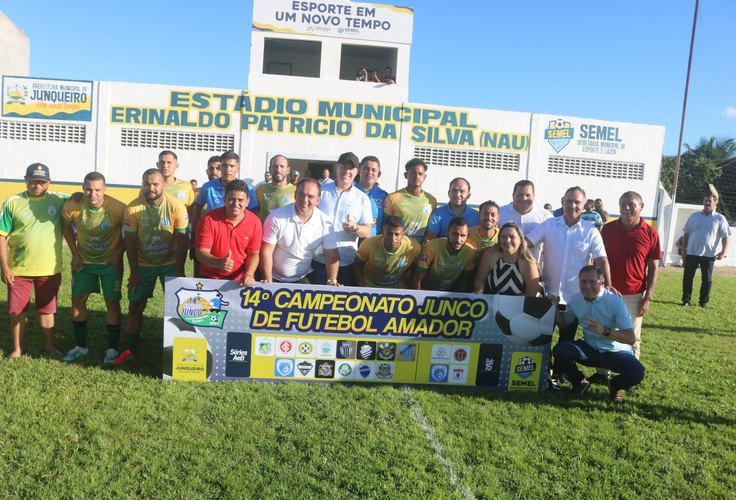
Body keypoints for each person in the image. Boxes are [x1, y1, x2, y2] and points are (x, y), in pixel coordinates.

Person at [111, 169, 188, 365]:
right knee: (135, 307)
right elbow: (130, 243)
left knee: (178, 307)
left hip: (170, 263)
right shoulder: (132, 209)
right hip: (144, 264)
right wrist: (135, 273)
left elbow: (182, 241)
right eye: (147, 184)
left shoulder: (176, 206)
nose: (151, 188)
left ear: (163, 185)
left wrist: (179, 271)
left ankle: (180, 350)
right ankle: (129, 349)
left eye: (155, 184)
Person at [0, 163, 68, 359]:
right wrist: (4, 267)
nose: (37, 185)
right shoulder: (12, 202)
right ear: (26, 180)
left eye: (41, 182)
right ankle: (17, 350)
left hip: (49, 269)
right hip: (19, 270)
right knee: (17, 312)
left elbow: (78, 200)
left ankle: (49, 347)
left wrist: (78, 197)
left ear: (49, 182)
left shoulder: (59, 199)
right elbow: (2, 236)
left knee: (47, 310)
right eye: (33, 181)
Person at [526, 186, 611, 342]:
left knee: (566, 342)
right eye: (569, 201)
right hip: (547, 296)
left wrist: (608, 286)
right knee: (541, 342)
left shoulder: (591, 231)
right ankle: (546, 367)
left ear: (584, 205)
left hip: (575, 299)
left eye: (577, 202)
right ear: (562, 202)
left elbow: (601, 260)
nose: (572, 205)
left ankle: (561, 367)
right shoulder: (548, 225)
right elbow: (527, 243)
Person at [550, 265, 645, 404]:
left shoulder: (615, 302)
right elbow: (564, 324)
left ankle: (615, 385)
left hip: (615, 352)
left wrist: (605, 331)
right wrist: (554, 309)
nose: (587, 286)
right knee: (561, 350)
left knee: (637, 372)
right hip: (590, 349)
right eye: (583, 281)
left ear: (602, 283)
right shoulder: (576, 300)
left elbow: (631, 338)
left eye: (592, 281)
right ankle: (579, 382)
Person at [61, 172, 126, 363]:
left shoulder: (118, 208)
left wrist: (117, 254)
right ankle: (80, 346)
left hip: (109, 264)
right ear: (83, 188)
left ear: (105, 189)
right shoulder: (73, 205)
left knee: (112, 303)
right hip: (84, 263)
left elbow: (132, 232)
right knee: (77, 301)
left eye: (98, 190)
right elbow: (66, 227)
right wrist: (75, 254)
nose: (93, 194)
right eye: (88, 189)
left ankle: (112, 349)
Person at [598, 191, 660, 386]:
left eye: (631, 204)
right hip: (607, 292)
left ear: (641, 207)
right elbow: (599, 259)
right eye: (623, 203)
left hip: (634, 295)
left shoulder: (650, 233)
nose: (626, 208)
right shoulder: (607, 230)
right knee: (605, 333)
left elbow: (654, 267)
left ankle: (630, 377)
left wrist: (647, 297)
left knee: (631, 337)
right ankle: (602, 373)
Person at [260, 179, 339, 284]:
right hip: (272, 278)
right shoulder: (276, 217)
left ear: (318, 200)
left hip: (303, 278)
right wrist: (268, 281)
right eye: (301, 194)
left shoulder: (325, 222)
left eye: (310, 196)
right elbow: (266, 251)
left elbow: (332, 255)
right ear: (295, 195)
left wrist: (332, 279)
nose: (305, 200)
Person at [311, 152, 372, 286]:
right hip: (318, 260)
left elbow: (367, 231)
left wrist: (354, 227)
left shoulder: (362, 199)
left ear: (356, 172)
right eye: (343, 166)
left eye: (351, 168)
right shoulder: (320, 190)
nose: (347, 171)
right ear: (337, 167)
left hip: (346, 263)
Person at [195, 180, 261, 286]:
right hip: (210, 278)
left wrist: (248, 274)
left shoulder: (255, 222)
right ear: (224, 199)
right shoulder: (208, 219)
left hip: (239, 281)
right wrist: (219, 262)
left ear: (247, 201)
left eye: (240, 200)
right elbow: (201, 253)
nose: (236, 204)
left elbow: (254, 253)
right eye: (231, 199)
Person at [681, 192, 731, 308]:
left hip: (709, 255)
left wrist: (723, 252)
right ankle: (686, 300)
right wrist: (684, 249)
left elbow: (726, 236)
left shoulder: (720, 218)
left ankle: (703, 302)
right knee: (687, 278)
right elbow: (686, 233)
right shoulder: (694, 216)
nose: (707, 203)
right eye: (705, 200)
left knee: (707, 281)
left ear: (715, 203)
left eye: (710, 201)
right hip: (692, 253)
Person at [473, 222, 539, 297]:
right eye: (504, 237)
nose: (507, 240)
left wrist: (506, 301)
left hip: (517, 306)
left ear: (520, 240)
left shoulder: (529, 265)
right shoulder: (490, 255)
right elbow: (480, 279)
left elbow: (531, 295)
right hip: (492, 303)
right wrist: (479, 290)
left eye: (512, 237)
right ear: (499, 239)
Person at [354, 215, 421, 288]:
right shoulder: (368, 244)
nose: (393, 239)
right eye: (389, 234)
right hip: (371, 286)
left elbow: (415, 270)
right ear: (383, 232)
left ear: (403, 235)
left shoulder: (413, 248)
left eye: (397, 234)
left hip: (398, 288)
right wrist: (363, 288)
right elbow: (357, 266)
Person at [412, 217, 475, 291]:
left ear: (468, 236)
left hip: (450, 294)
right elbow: (417, 280)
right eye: (455, 234)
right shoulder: (432, 246)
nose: (458, 240)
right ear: (447, 232)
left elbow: (464, 281)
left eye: (463, 235)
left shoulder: (470, 251)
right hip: (426, 291)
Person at [384, 158, 437, 242]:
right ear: (406, 175)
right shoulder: (393, 198)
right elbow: (384, 227)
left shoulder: (431, 200)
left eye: (420, 174)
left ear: (424, 177)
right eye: (413, 173)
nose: (417, 176)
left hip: (418, 249)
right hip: (398, 248)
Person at [498, 180, 552, 261]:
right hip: (503, 267)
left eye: (528, 195)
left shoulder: (546, 216)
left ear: (534, 196)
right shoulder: (499, 213)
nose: (524, 198)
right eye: (519, 195)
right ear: (513, 196)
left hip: (533, 268)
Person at [423, 177, 479, 243]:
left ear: (468, 195)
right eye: (454, 191)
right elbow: (429, 238)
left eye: (462, 191)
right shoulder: (438, 214)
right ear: (449, 193)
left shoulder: (476, 216)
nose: (457, 195)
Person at [355, 155, 388, 237]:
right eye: (366, 169)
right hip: (352, 242)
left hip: (374, 244)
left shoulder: (384, 196)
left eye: (373, 170)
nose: (370, 172)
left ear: (379, 174)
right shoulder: (350, 192)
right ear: (359, 171)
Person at [255, 154, 296, 222]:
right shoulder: (260, 190)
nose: (278, 170)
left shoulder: (296, 190)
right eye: (275, 166)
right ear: (270, 169)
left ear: (288, 170)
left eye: (282, 166)